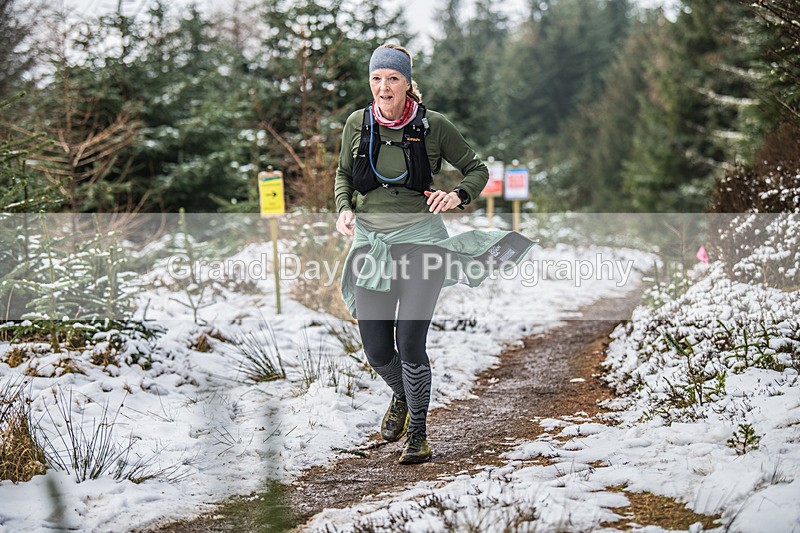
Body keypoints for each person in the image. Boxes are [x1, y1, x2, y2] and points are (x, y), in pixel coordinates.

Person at [335, 44, 533, 464]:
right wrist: (344, 208)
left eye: (392, 78)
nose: (383, 87)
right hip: (372, 245)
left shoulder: (433, 126)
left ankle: (419, 434)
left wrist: (457, 194)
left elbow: (477, 169)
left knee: (410, 342)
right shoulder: (357, 123)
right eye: (376, 79)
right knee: (376, 349)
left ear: (408, 83)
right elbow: (342, 174)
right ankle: (402, 398)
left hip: (423, 242)